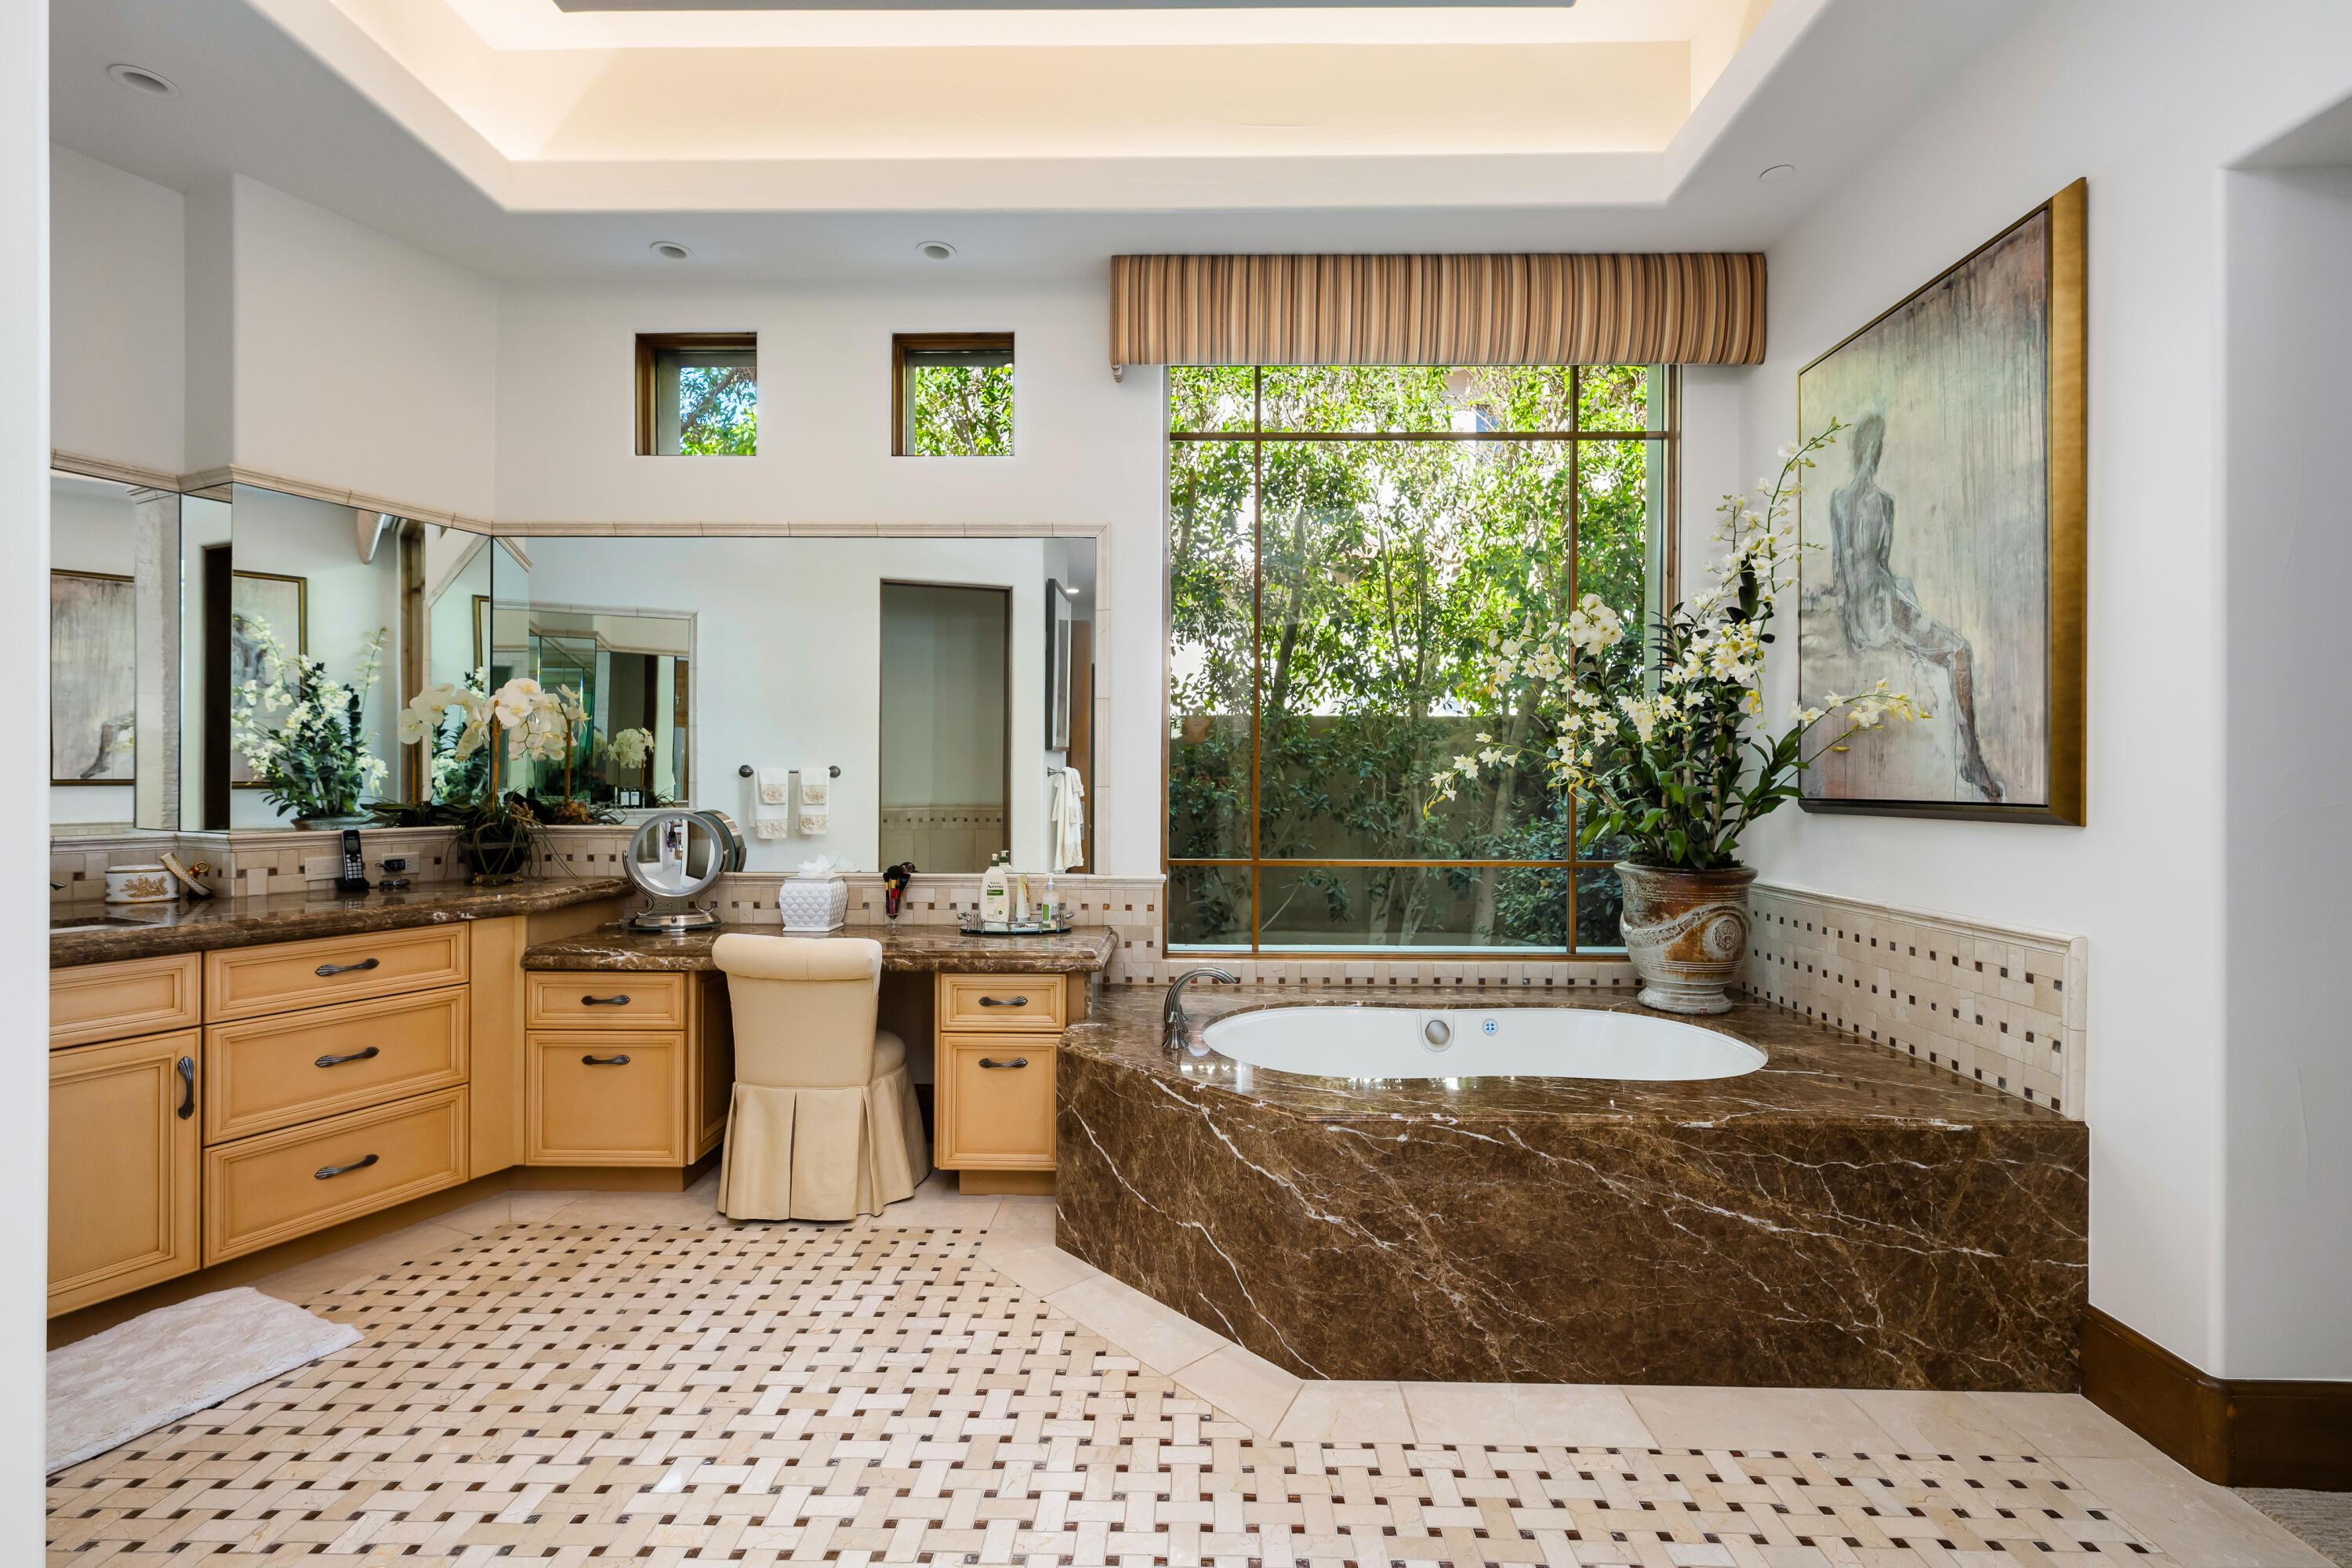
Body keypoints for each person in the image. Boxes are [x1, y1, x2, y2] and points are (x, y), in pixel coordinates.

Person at [1828, 413, 2002, 801]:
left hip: (1859, 617)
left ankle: (1970, 755)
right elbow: (1881, 564)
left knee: (1910, 602)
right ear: (1875, 451)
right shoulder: (1883, 502)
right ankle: (1972, 757)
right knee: (1960, 652)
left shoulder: (1837, 501)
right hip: (1880, 609)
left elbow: (1841, 570)